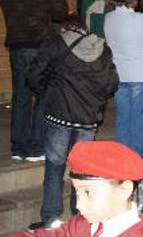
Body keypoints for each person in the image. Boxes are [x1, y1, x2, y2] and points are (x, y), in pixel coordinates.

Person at [27, 14, 119, 229]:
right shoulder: (102, 49)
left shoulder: (55, 45)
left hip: (59, 115)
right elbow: (112, 83)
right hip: (88, 118)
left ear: (66, 29)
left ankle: (51, 218)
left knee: (55, 167)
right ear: (83, 29)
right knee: (82, 169)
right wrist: (96, 101)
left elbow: (34, 75)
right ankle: (81, 217)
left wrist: (48, 93)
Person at [9, 140, 143, 237]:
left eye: (87, 192)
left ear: (124, 190)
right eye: (77, 192)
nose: (78, 205)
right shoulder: (86, 224)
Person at [1, 0, 69, 162]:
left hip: (16, 48)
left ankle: (18, 146)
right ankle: (36, 146)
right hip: (39, 49)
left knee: (20, 96)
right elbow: (61, 11)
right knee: (42, 95)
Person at [104, 0, 143, 161]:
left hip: (119, 73)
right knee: (138, 120)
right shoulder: (138, 19)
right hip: (139, 74)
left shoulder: (109, 18)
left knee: (123, 118)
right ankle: (138, 159)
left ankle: (122, 158)